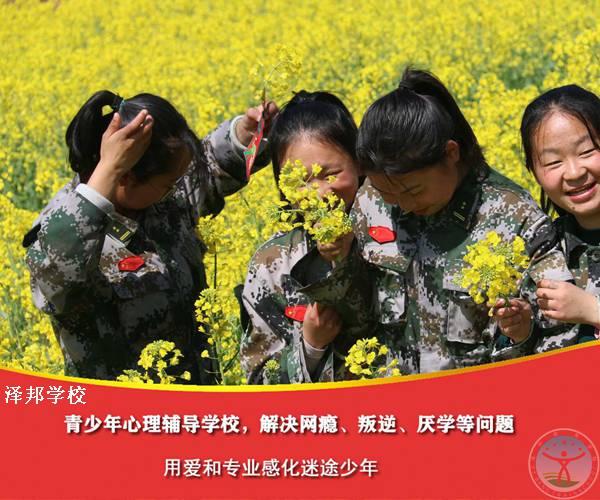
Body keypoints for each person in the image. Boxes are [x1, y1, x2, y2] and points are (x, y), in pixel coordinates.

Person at [24, 90, 276, 383]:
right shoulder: (66, 228)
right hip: (122, 408)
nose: (176, 189)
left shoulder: (158, 201)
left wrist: (244, 135)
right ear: (126, 177)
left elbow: (205, 171)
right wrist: (109, 169)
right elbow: (56, 282)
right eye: (169, 184)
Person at [346, 68, 573, 374]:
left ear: (451, 152)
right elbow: (354, 312)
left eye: (413, 191)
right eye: (389, 194)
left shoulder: (515, 216)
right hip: (388, 394)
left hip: (475, 397)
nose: (404, 206)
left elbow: (561, 338)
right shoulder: (370, 199)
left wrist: (520, 333)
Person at [240, 91, 373, 384]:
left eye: (331, 174)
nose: (319, 193)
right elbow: (259, 381)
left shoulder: (389, 239)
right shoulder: (271, 263)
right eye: (300, 181)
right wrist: (310, 347)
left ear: (359, 163)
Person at [521, 84, 600, 346]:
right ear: (534, 173)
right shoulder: (540, 250)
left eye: (587, 151)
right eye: (554, 162)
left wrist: (593, 310)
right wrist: (520, 333)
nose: (575, 172)